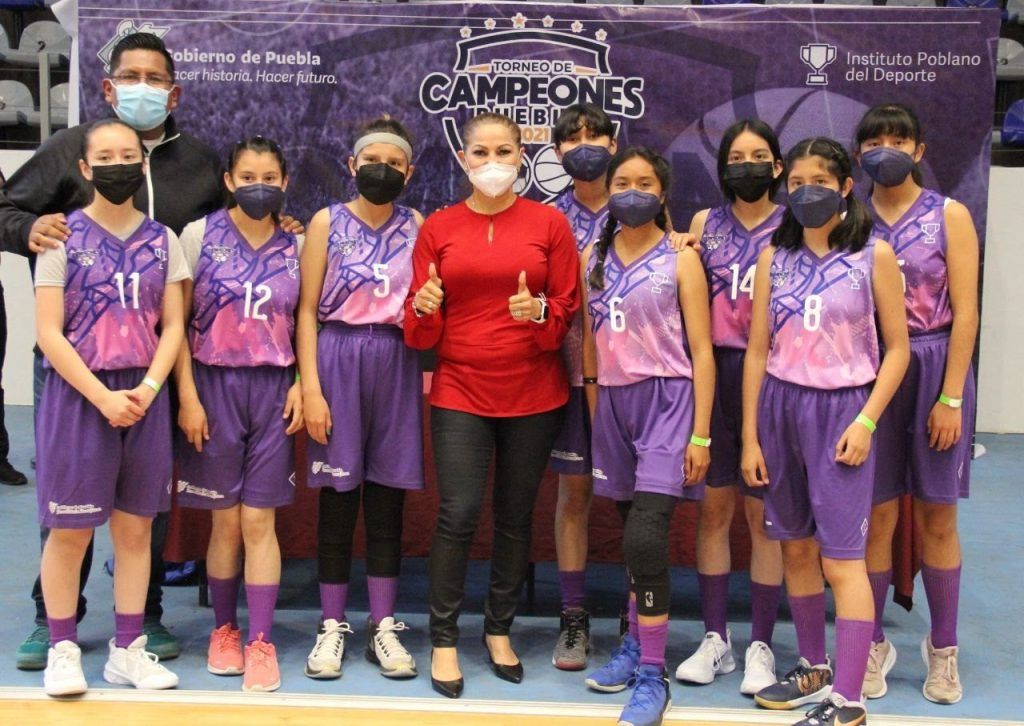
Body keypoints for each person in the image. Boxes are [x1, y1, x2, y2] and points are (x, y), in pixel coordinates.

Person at [0, 31, 224, 670]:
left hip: (151, 365)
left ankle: (141, 623)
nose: (142, 88)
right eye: (131, 76)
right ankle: (53, 624)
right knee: (65, 509)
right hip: (74, 367)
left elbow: (226, 234)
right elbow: (6, 210)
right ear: (107, 86)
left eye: (156, 78)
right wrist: (29, 228)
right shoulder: (71, 148)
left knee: (140, 513)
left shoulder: (200, 163)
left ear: (173, 93)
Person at [405, 111, 580, 699]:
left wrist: (540, 312)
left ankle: (498, 630)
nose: (492, 162)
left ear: (521, 157)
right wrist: (424, 306)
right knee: (457, 514)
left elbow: (565, 309)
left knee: (514, 515)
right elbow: (418, 328)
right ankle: (444, 638)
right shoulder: (438, 227)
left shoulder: (550, 223)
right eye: (480, 152)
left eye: (504, 151)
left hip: (534, 392)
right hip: (460, 388)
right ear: (463, 159)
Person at [742, 137, 909, 726]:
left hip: (843, 409)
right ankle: (814, 667)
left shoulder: (873, 255)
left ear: (845, 187)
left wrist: (866, 420)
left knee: (842, 561)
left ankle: (850, 699)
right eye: (797, 182)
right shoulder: (773, 256)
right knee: (794, 547)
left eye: (820, 181)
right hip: (780, 406)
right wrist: (750, 435)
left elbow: (898, 350)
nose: (807, 191)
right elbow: (757, 350)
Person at [34, 119, 188, 696]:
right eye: (105, 156)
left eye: (128, 155)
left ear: (142, 165)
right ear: (85, 168)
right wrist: (101, 396)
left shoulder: (163, 239)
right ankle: (62, 648)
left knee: (135, 531)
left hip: (142, 398)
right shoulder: (61, 237)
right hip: (81, 397)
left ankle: (128, 650)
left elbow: (173, 327)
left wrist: (147, 389)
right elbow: (49, 333)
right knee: (69, 532)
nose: (118, 164)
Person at [580, 147, 714, 726]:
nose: (632, 192)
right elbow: (589, 343)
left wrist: (701, 434)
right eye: (622, 183)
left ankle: (654, 677)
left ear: (662, 193)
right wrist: (596, 411)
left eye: (645, 183)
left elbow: (702, 350)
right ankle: (635, 645)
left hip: (668, 401)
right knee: (631, 536)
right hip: (614, 403)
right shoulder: (593, 255)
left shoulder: (681, 258)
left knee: (646, 538)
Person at [855, 103, 979, 705]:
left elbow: (968, 312)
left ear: (919, 151)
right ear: (859, 155)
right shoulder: (849, 219)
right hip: (871, 372)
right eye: (875, 141)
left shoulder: (948, 215)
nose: (887, 149)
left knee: (937, 516)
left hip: (934, 366)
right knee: (876, 516)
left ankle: (944, 648)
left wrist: (951, 395)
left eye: (898, 140)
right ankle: (873, 641)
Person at [174, 136, 303, 693]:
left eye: (270, 177)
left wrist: (302, 382)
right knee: (225, 520)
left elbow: (306, 321)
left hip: (273, 387)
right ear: (228, 181)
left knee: (258, 521)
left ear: (285, 182)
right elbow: (175, 323)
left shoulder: (297, 243)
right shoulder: (198, 236)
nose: (259, 185)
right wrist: (187, 395)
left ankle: (261, 641)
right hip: (213, 383)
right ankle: (224, 630)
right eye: (248, 176)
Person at [299, 117, 423, 682]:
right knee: (338, 498)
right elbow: (305, 310)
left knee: (386, 500)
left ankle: (383, 625)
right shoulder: (327, 221)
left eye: (394, 163)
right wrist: (311, 386)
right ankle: (331, 625)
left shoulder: (417, 224)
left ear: (409, 172)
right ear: (352, 165)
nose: (382, 170)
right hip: (338, 354)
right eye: (372, 160)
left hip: (395, 358)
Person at [675, 119, 785, 695]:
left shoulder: (794, 223)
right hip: (714, 370)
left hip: (773, 372)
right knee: (714, 510)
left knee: (762, 516)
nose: (747, 165)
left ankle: (762, 643)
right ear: (722, 168)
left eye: (758, 155)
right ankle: (716, 638)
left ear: (778, 166)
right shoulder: (703, 223)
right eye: (736, 157)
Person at [548, 102, 615, 671]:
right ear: (556, 153)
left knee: (639, 502)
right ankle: (573, 617)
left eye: (595, 136)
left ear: (614, 145)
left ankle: (639, 617)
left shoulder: (642, 205)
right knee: (573, 496)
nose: (585, 146)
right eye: (573, 139)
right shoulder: (547, 217)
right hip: (567, 376)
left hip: (633, 380)